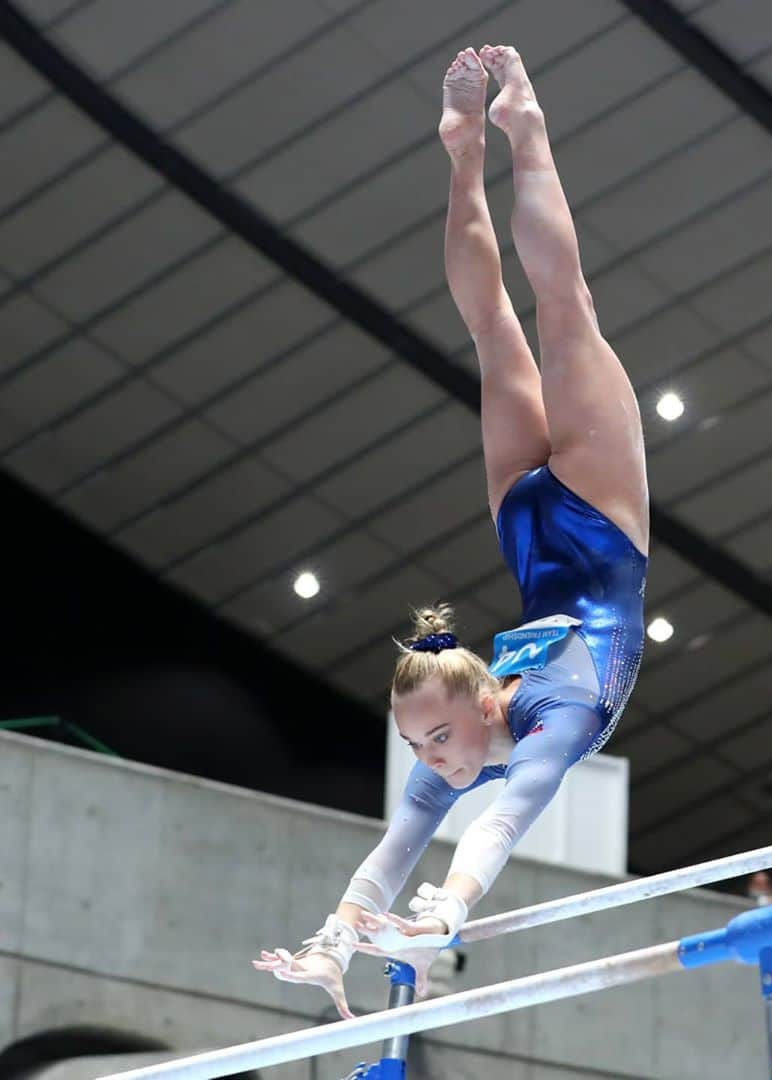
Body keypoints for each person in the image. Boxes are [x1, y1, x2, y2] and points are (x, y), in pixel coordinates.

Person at [253, 44, 649, 1017]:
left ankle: (476, 149)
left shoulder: (475, 737)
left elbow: (421, 850)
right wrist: (405, 925)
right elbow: (494, 826)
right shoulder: (557, 723)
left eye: (429, 742)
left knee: (516, 325)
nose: (430, 763)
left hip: (534, 531)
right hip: (602, 523)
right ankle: (508, 139)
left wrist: (379, 932)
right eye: (426, 747)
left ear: (473, 708)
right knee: (553, 315)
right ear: (479, 712)